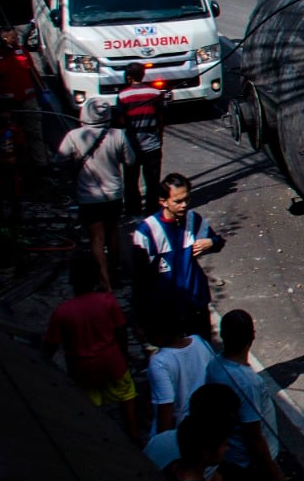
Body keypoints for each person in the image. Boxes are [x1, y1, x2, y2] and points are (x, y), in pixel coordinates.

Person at [206, 310, 298, 481]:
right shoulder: (247, 382)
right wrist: (274, 475)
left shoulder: (214, 366)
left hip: (232, 462)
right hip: (253, 466)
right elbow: (254, 435)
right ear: (252, 338)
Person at [42, 253, 139, 443]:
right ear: (96, 278)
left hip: (83, 371)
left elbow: (50, 346)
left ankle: (96, 441)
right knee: (127, 394)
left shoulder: (63, 312)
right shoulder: (108, 301)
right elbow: (121, 332)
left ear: (71, 280)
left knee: (88, 407)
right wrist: (124, 356)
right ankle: (134, 435)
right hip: (112, 363)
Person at [132, 172, 221, 343]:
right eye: (178, 202)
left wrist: (211, 242)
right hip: (167, 312)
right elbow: (139, 280)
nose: (184, 205)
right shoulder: (146, 232)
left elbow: (217, 242)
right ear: (163, 201)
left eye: (186, 199)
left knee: (202, 354)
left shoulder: (193, 220)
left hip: (195, 304)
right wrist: (139, 319)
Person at [58, 99, 135, 291]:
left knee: (96, 238)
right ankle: (115, 270)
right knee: (113, 232)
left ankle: (104, 280)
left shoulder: (74, 136)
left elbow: (59, 158)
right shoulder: (118, 135)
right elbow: (131, 160)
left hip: (88, 197)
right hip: (114, 195)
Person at [145, 311, 217, 439]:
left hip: (180, 432)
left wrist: (163, 442)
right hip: (206, 421)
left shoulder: (159, 363)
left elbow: (166, 406)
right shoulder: (199, 341)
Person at [0, 26, 48, 167]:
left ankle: (41, 166)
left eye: (14, 37)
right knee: (10, 137)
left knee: (35, 134)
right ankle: (14, 169)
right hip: (7, 105)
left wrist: (43, 90)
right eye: (8, 37)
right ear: (1, 39)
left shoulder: (22, 52)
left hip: (29, 101)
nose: (12, 40)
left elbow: (33, 74)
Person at [117, 63, 167, 216]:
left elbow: (121, 121)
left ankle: (134, 209)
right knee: (152, 181)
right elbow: (161, 119)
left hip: (131, 146)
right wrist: (160, 137)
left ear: (129, 77)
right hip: (152, 144)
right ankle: (152, 210)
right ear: (143, 75)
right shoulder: (155, 93)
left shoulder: (122, 96)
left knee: (131, 180)